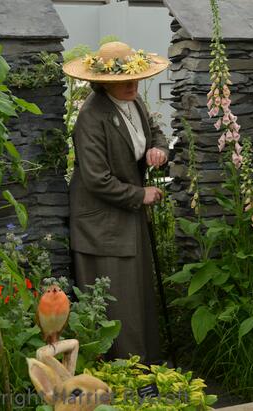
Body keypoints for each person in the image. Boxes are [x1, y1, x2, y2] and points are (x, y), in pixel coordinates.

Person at [62, 41, 170, 364]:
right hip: (102, 226)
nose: (132, 85)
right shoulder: (91, 117)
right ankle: (127, 379)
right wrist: (141, 195)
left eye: (136, 79)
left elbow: (155, 132)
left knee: (138, 299)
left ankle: (147, 372)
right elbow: (97, 179)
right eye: (125, 81)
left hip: (126, 219)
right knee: (118, 305)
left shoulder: (133, 103)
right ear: (104, 81)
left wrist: (158, 150)